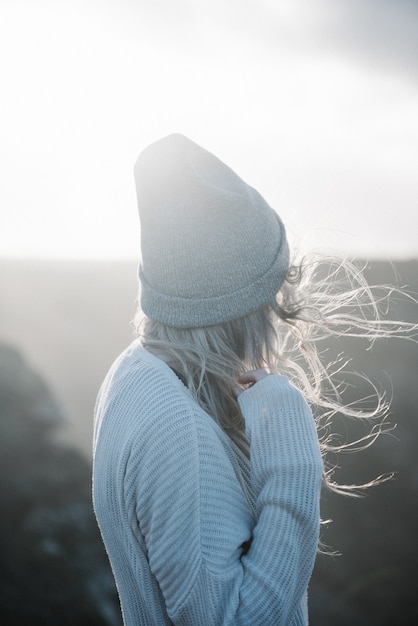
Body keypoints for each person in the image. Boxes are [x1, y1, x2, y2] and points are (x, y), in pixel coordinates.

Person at [92, 134, 410, 625]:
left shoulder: (133, 372)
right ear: (241, 309)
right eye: (274, 291)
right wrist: (292, 468)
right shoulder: (180, 432)